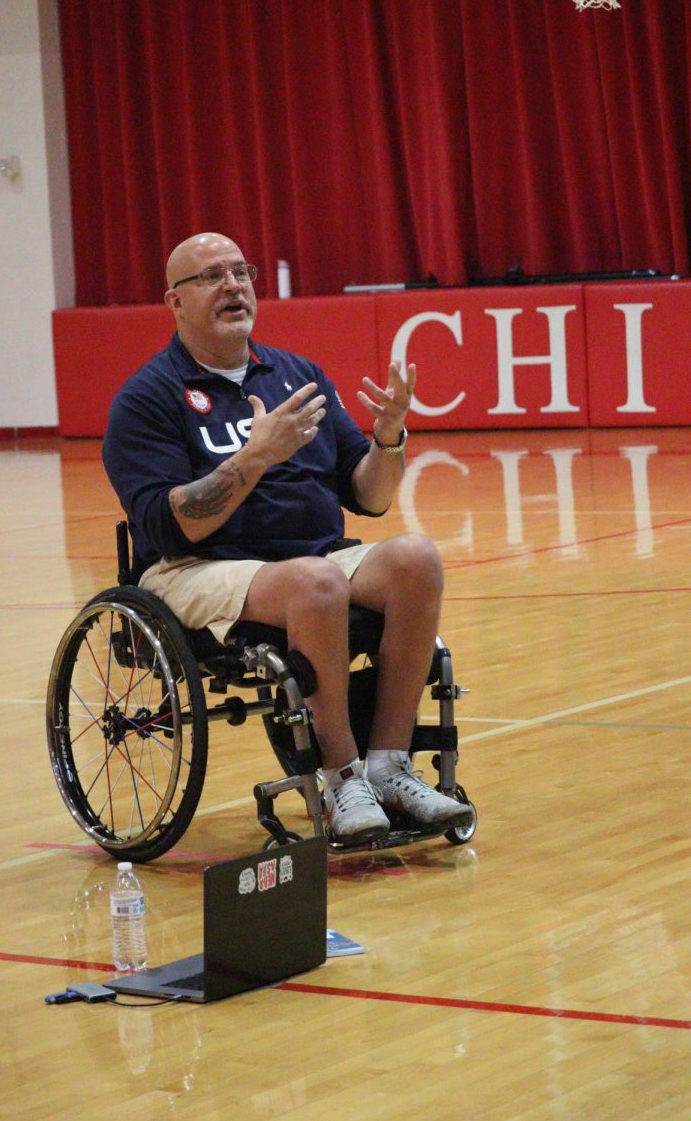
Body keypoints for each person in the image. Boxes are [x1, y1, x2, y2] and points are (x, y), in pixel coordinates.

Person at [103, 231, 471, 845]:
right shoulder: (148, 397)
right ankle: (340, 775)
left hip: (311, 559)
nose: (233, 286)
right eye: (212, 276)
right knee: (317, 581)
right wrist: (255, 457)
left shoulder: (297, 374)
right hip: (197, 566)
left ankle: (389, 765)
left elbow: (371, 498)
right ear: (175, 302)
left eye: (241, 272)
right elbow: (171, 524)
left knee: (416, 558)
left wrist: (388, 437)